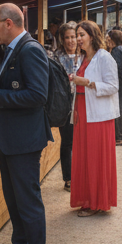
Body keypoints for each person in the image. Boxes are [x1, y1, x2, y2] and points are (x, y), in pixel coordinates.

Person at [0, 4, 52, 244]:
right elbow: (15, 86)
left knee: (27, 202)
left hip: (24, 140)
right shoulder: (12, 48)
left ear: (8, 23)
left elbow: (38, 95)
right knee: (14, 199)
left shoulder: (30, 49)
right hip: (11, 138)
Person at [69, 20, 119, 216]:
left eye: (81, 35)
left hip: (98, 115)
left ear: (92, 35)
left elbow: (113, 86)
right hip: (82, 110)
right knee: (83, 157)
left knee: (95, 158)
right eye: (77, 35)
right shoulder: (81, 58)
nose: (78, 39)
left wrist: (88, 83)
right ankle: (86, 198)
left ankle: (96, 201)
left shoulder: (104, 57)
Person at [53, 23, 80, 191]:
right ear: (62, 40)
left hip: (83, 100)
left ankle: (82, 174)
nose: (71, 41)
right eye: (67, 38)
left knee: (82, 140)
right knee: (68, 141)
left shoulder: (84, 54)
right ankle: (68, 178)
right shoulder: (56, 57)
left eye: (73, 37)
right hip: (65, 102)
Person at [108, 28, 122, 146]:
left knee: (118, 108)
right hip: (121, 82)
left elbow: (117, 69)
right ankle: (119, 135)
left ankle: (119, 136)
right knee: (119, 107)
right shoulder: (121, 49)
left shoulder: (116, 51)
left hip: (118, 83)